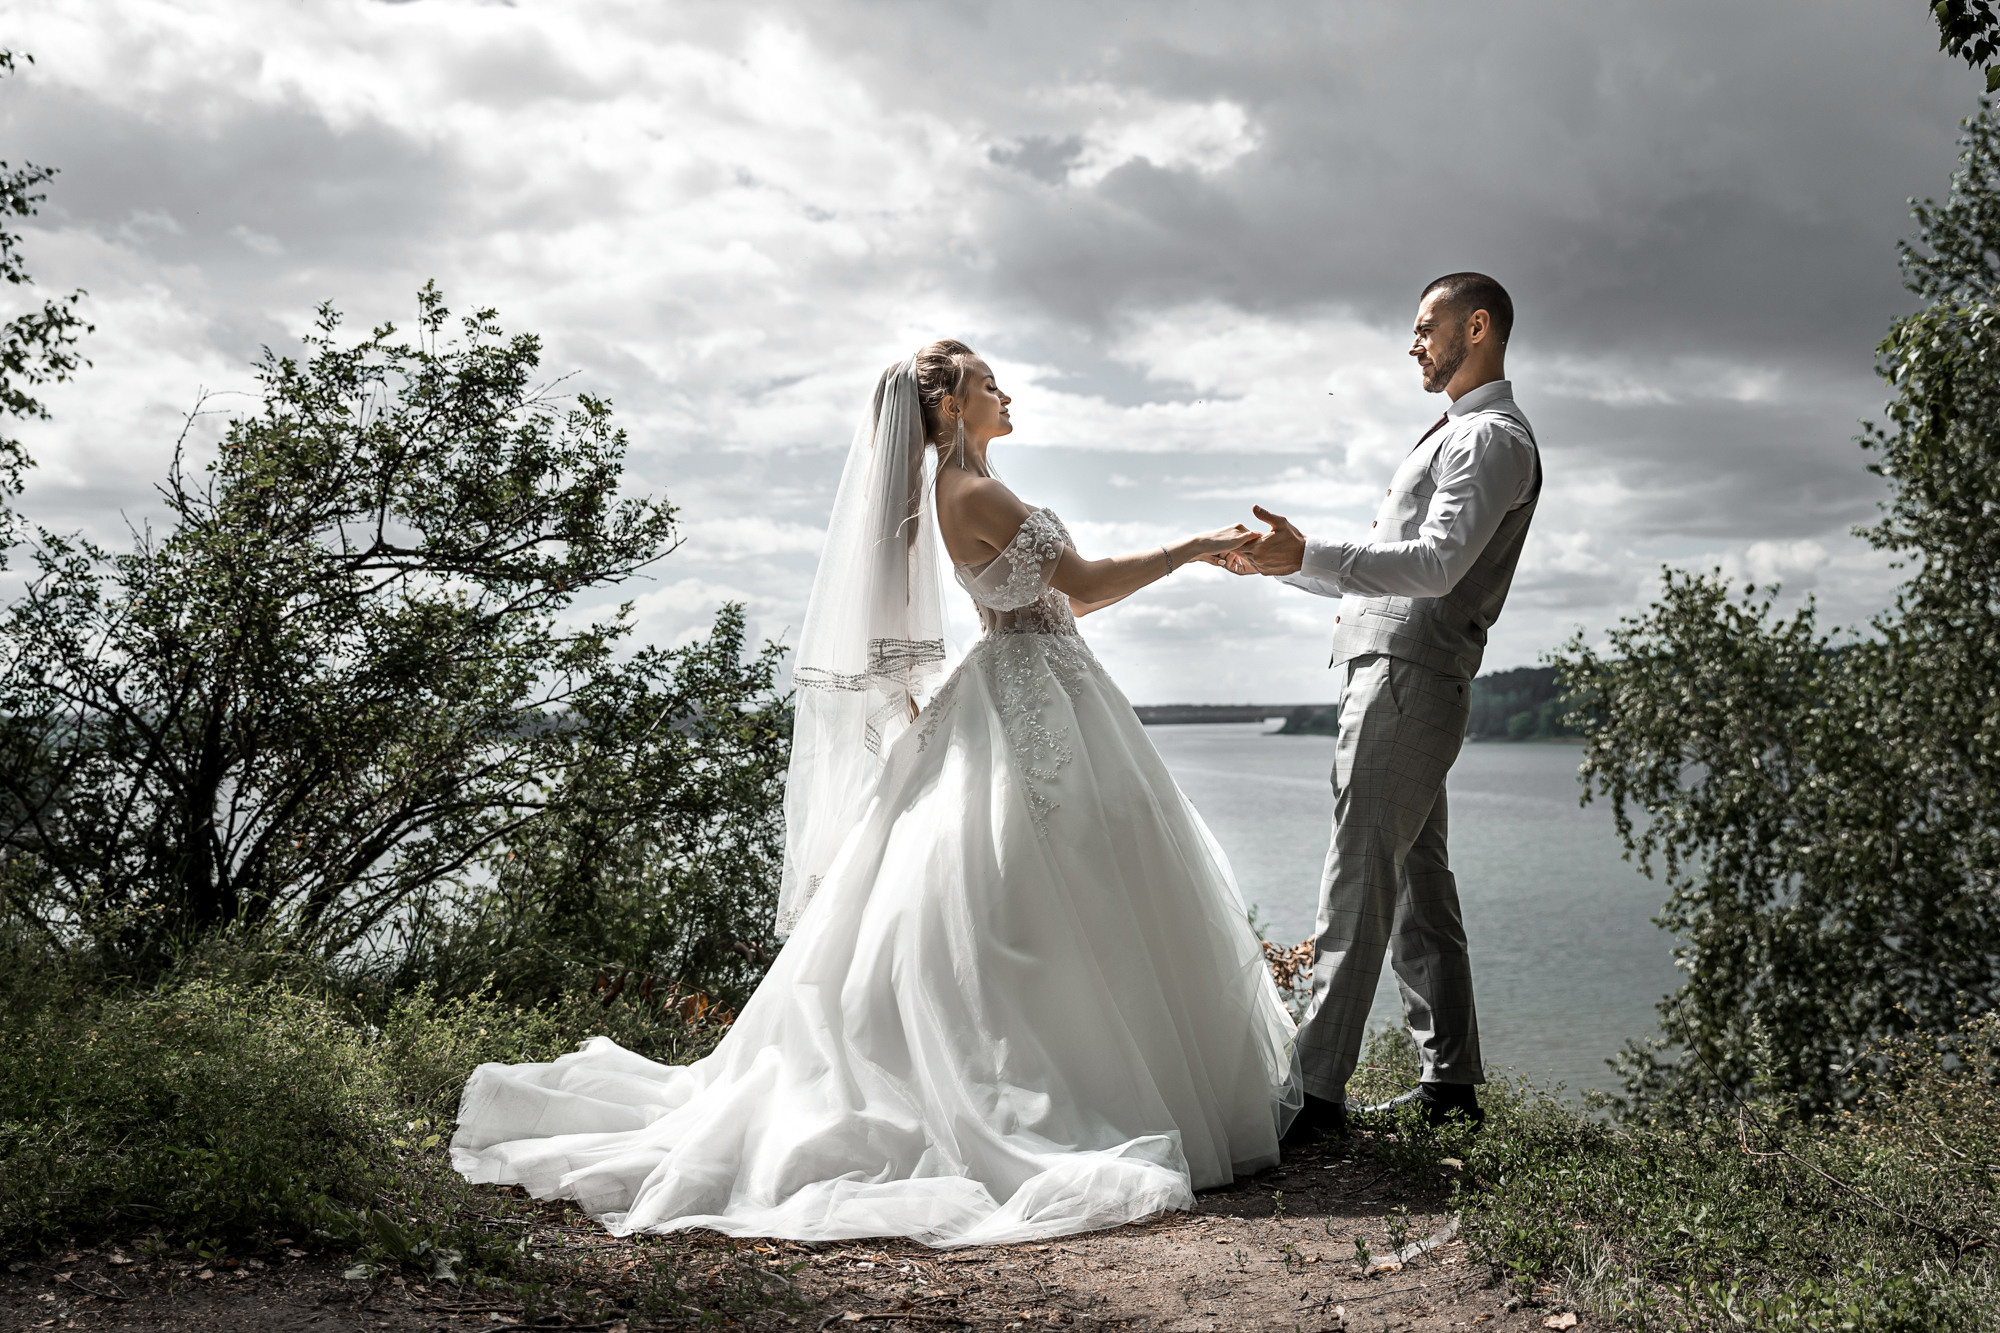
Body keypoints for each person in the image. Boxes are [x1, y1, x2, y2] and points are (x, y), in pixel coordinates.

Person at [450, 340, 1301, 1247]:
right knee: (1052, 878)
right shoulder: (972, 492)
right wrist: (1201, 544)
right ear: (945, 407)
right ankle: (1077, 1088)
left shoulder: (966, 488)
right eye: (986, 383)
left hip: (1043, 682)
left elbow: (1072, 602)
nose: (1005, 392)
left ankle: (1105, 1072)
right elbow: (1085, 584)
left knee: (1058, 879)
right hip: (1032, 693)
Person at [1225, 273, 1540, 1144]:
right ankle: (1451, 1086)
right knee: (1417, 887)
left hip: (1407, 680)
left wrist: (1308, 551)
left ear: (1476, 327)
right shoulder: (1464, 432)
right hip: (1398, 674)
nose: (1413, 343)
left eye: (1424, 326)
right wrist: (1288, 563)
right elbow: (1411, 563)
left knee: (1358, 878)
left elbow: (1436, 564)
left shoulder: (1487, 439)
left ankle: (1313, 1095)